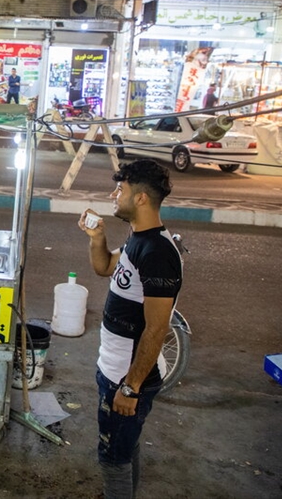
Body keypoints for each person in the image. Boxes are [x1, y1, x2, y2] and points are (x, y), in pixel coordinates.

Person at [78, 159, 183, 499]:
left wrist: (131, 387)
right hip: (113, 369)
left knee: (113, 458)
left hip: (126, 377)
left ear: (140, 198)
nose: (114, 195)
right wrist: (98, 237)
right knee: (125, 447)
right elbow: (104, 266)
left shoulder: (157, 252)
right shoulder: (139, 240)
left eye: (120, 190)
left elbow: (156, 328)